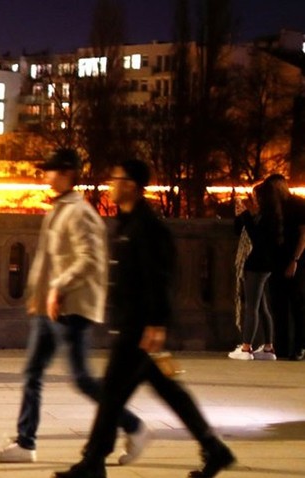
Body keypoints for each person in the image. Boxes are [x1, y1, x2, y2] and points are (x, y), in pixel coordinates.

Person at [54, 159, 234, 478]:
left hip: (139, 328)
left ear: (132, 187)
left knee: (112, 393)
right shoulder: (128, 223)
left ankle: (93, 461)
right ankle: (215, 449)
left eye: (116, 179)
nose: (110, 184)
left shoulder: (147, 227)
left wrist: (156, 325)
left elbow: (159, 278)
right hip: (133, 325)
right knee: (168, 390)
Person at [0, 149, 146, 464]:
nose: (47, 176)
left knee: (82, 379)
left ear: (69, 174)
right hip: (50, 308)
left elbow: (90, 260)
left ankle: (134, 426)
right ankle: (25, 442)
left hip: (70, 307)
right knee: (33, 373)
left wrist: (58, 287)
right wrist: (39, 293)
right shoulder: (60, 209)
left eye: (53, 171)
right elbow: (49, 258)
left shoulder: (80, 213)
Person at [229, 183, 279, 360]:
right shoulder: (265, 214)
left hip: (258, 264)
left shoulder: (269, 217)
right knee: (262, 306)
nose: (254, 199)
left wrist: (247, 215)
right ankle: (268, 347)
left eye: (256, 196)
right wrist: (241, 213)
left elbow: (256, 237)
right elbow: (239, 230)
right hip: (263, 264)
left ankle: (246, 348)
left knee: (252, 306)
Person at [263, 174, 305, 361]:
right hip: (277, 261)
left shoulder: (298, 204)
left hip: (295, 261)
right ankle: (282, 348)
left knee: (297, 305)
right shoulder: (271, 207)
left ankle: (299, 347)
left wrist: (294, 260)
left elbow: (304, 235)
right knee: (279, 306)